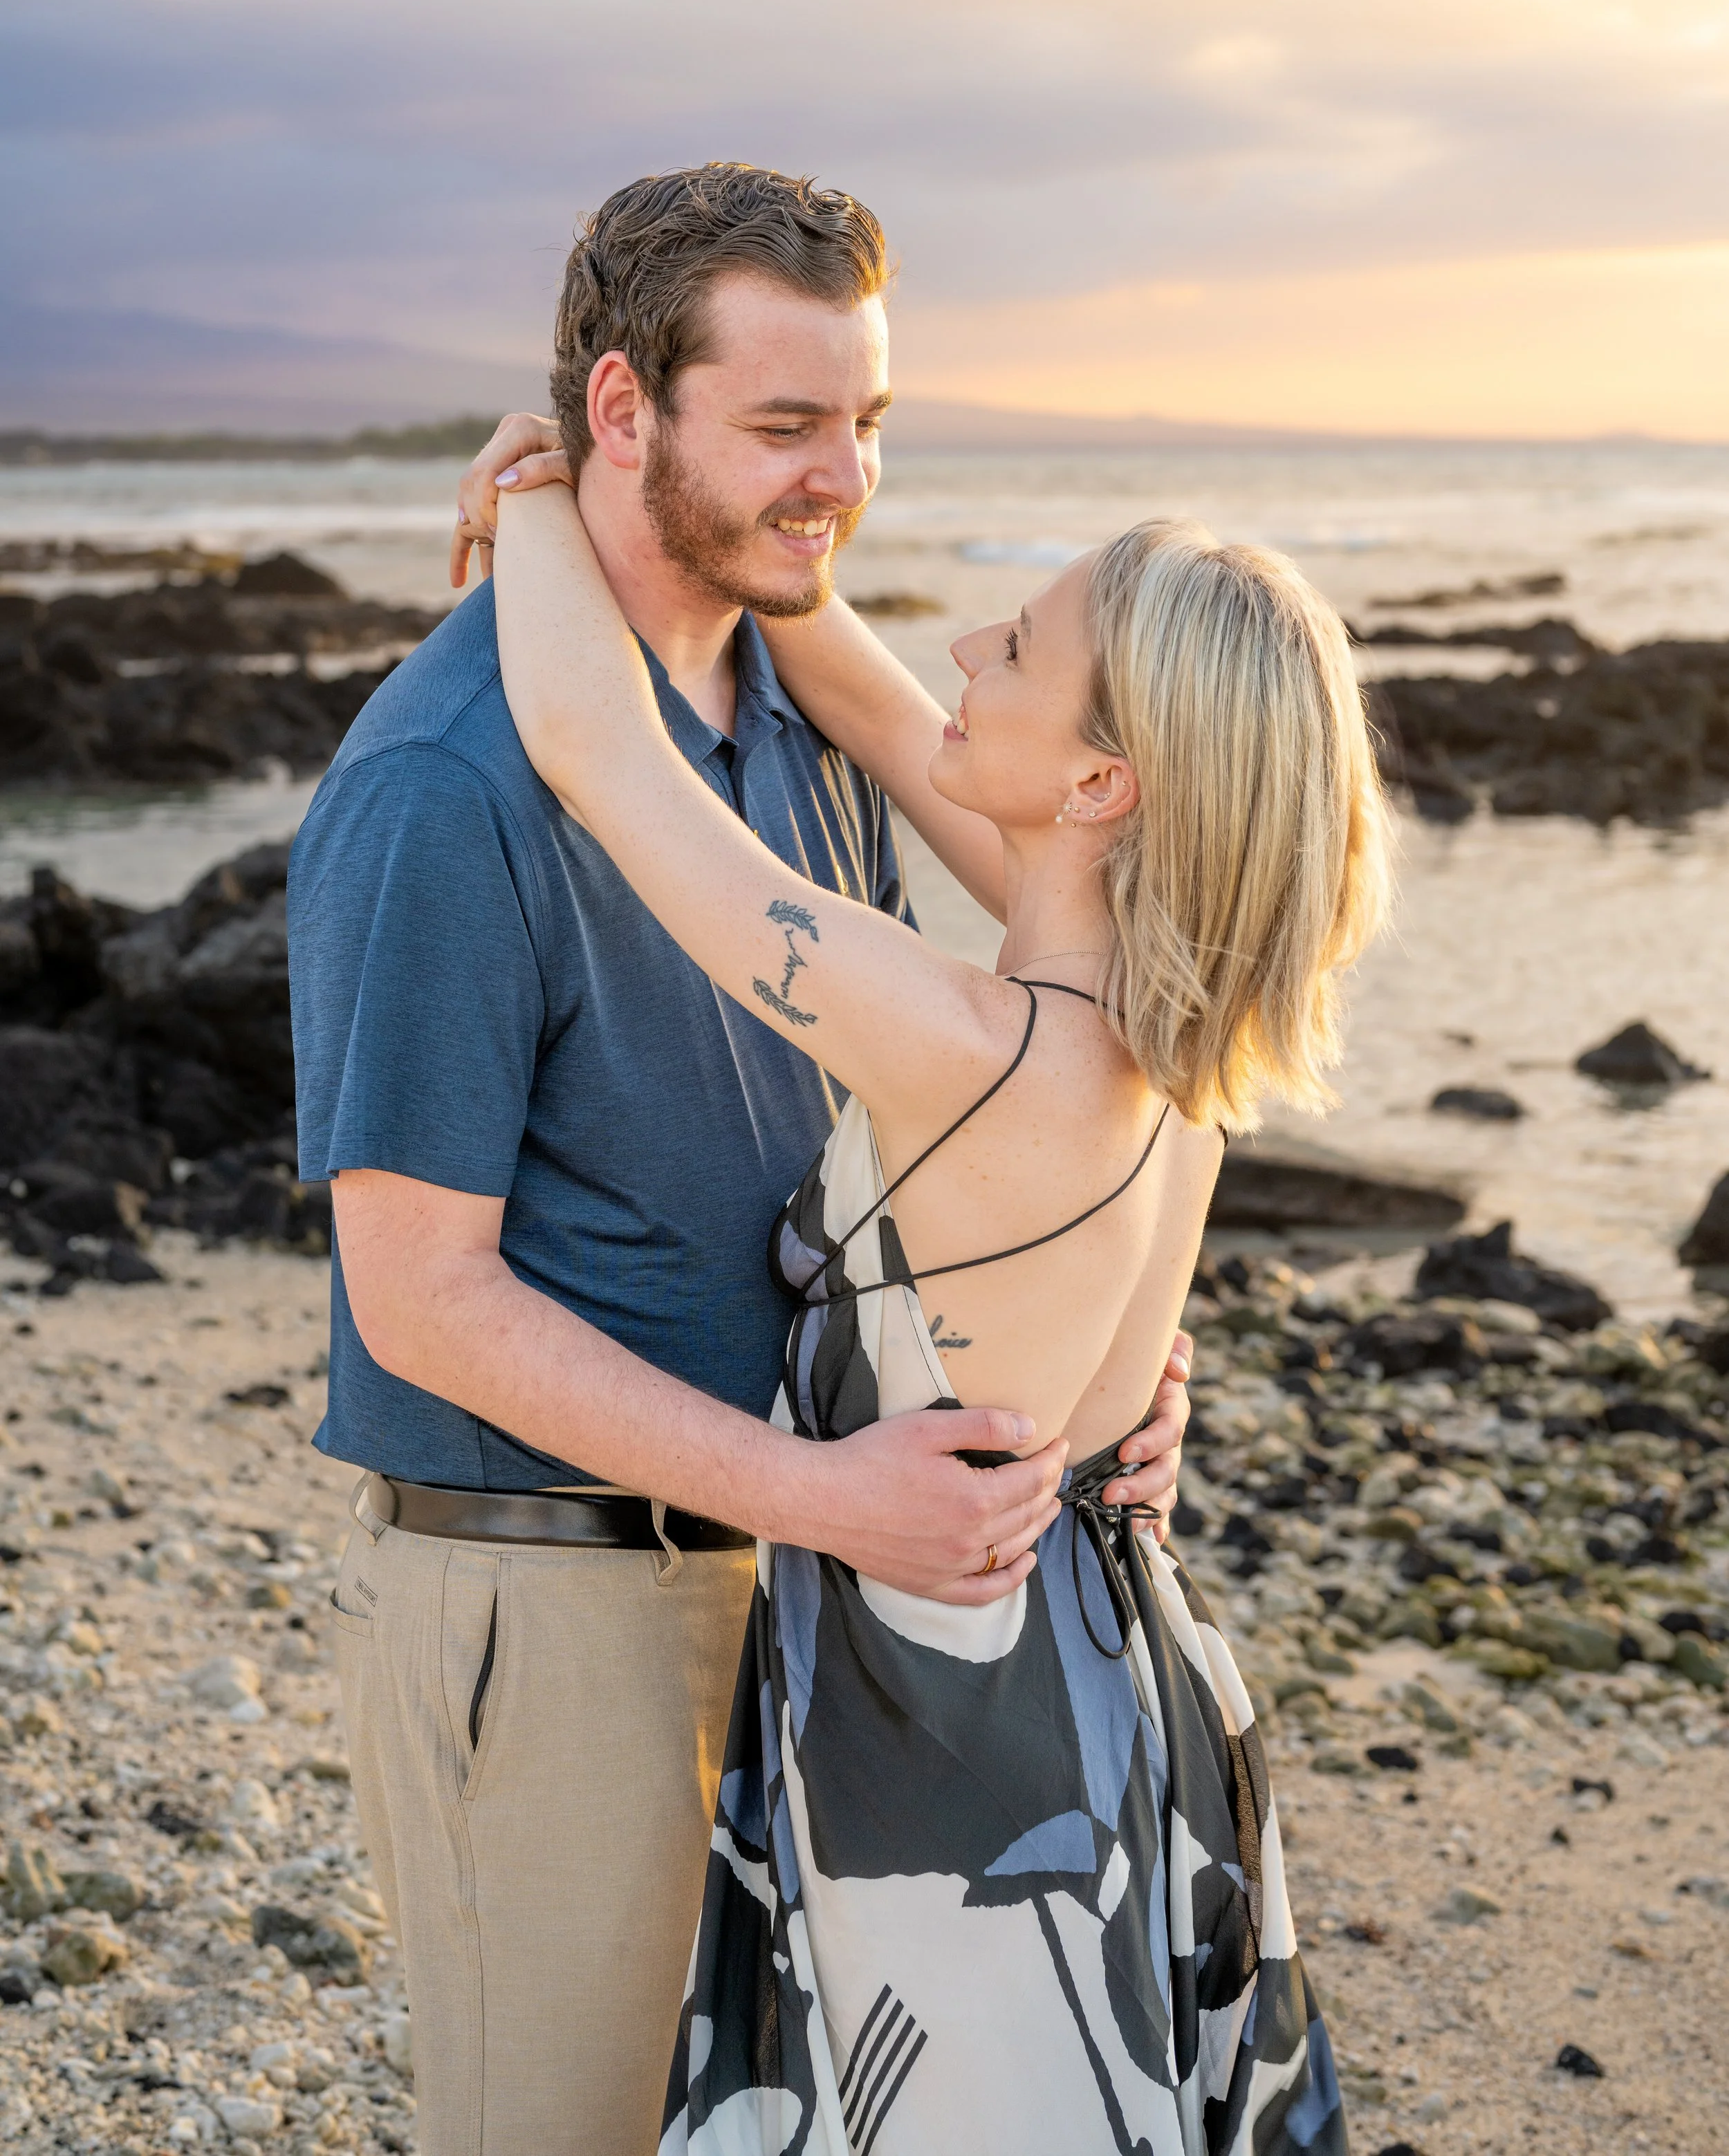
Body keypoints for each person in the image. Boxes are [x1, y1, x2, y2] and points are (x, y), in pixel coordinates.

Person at [287, 162, 1192, 2156]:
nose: (839, 479)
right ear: (624, 410)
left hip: (814, 1589)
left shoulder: (807, 703)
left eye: (866, 421)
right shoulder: (443, 785)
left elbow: (971, 1105)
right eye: (785, 425)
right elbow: (415, 1295)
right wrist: (818, 1488)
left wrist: (1096, 1358)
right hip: (569, 1611)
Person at [484, 471, 1389, 2155]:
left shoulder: (959, 1048)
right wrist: (777, 553)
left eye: (1018, 646)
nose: (964, 645)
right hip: (1115, 1667)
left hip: (948, 1729)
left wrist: (540, 491)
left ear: (1101, 780)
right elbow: (896, 721)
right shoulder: (1178, 1046)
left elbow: (601, 759)